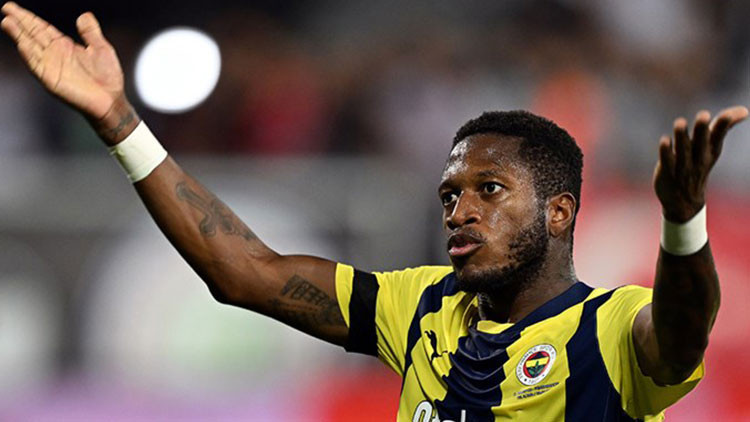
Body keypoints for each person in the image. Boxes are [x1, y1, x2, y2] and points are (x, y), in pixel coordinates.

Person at [1, 3, 747, 421]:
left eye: (489, 191)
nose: (460, 211)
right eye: (450, 194)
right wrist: (119, 122)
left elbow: (682, 333)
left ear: (558, 213)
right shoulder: (419, 306)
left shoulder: (609, 329)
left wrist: (684, 222)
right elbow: (245, 272)